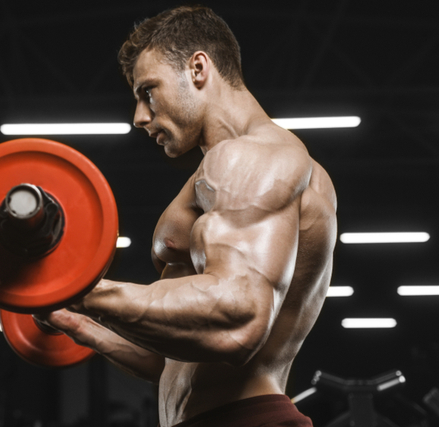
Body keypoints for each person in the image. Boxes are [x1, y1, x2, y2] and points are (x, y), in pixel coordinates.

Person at [37, 5, 337, 427]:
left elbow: (240, 319)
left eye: (148, 91)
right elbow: (168, 360)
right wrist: (77, 322)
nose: (139, 116)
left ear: (198, 68)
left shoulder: (256, 157)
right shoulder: (218, 170)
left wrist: (78, 290)